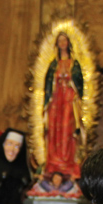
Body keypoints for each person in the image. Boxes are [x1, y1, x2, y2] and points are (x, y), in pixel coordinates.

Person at [43, 32, 84, 180]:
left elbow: (80, 84)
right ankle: (53, 162)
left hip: (68, 100)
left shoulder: (74, 63)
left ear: (68, 43)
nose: (62, 43)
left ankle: (68, 163)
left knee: (67, 129)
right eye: (59, 41)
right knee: (55, 130)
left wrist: (71, 82)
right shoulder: (53, 65)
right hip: (55, 101)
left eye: (64, 40)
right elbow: (47, 85)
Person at [0, 129, 30, 204]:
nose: (12, 149)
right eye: (9, 144)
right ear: (2, 145)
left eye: (17, 146)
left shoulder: (23, 175)